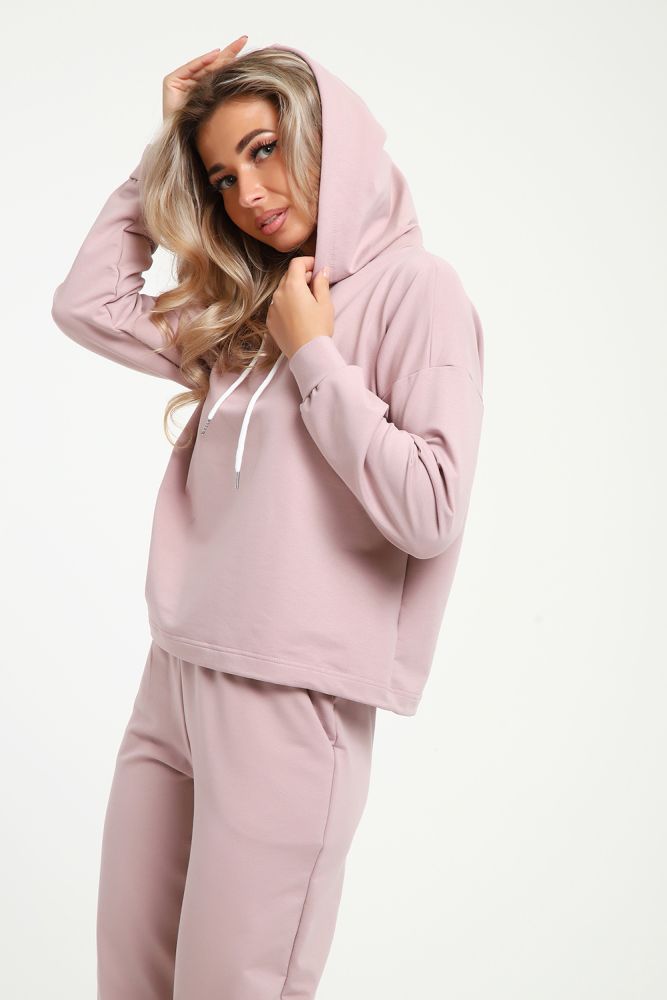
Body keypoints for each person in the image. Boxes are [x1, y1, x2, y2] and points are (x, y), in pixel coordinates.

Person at [51, 37, 485, 1000]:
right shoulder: (247, 304)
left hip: (290, 697)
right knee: (129, 979)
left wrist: (314, 356)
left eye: (263, 149)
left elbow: (431, 508)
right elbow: (86, 305)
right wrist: (160, 147)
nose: (247, 193)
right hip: (174, 673)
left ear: (328, 136)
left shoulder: (418, 290)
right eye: (220, 175)